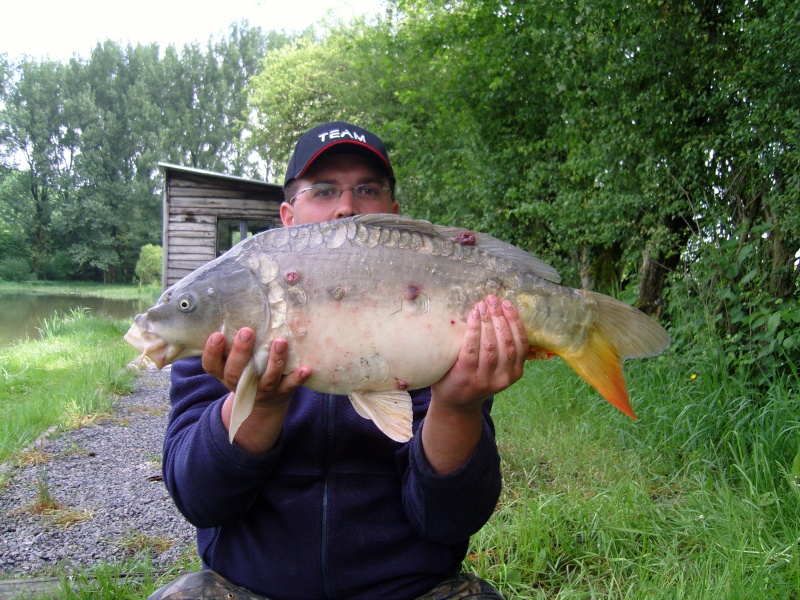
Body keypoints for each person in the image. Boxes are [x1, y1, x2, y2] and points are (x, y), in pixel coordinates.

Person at [150, 122, 529, 599]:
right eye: (324, 190)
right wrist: (260, 406)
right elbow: (200, 500)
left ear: (393, 214)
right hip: (252, 589)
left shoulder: (435, 310)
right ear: (287, 216)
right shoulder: (226, 326)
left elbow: (449, 520)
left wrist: (455, 408)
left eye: (366, 189)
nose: (347, 206)